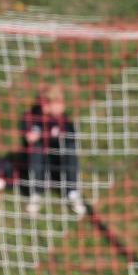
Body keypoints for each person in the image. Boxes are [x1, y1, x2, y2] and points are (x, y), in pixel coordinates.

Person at [20, 85, 85, 218]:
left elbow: (71, 137)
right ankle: (36, 194)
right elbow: (28, 138)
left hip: (58, 165)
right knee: (36, 149)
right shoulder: (31, 116)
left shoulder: (63, 120)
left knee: (70, 148)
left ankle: (72, 193)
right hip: (38, 165)